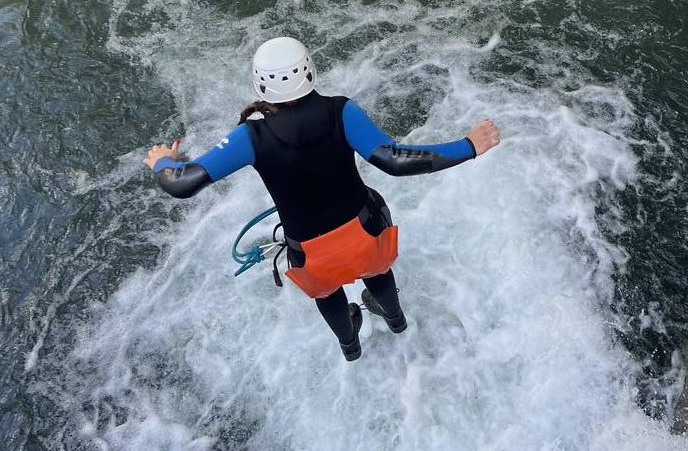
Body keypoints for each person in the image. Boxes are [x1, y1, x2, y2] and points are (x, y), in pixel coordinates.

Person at [143, 36, 500, 361]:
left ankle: (351, 346)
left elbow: (180, 183)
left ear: (260, 82)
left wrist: (163, 161)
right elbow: (393, 160)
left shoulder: (250, 136)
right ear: (310, 70)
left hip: (311, 253)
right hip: (365, 230)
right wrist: (468, 146)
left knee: (328, 295)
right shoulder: (340, 111)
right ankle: (396, 321)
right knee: (377, 272)